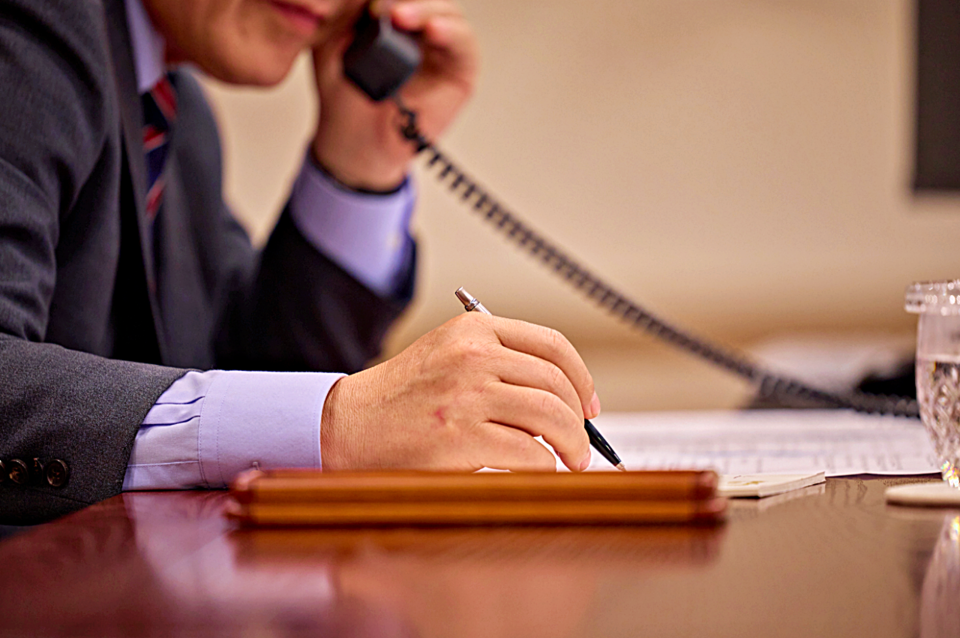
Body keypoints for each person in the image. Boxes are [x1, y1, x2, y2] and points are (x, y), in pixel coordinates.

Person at [0, 0, 600, 525]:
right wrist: (335, 422)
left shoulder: (175, 107)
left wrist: (362, 156)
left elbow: (244, 381)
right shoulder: (33, 25)